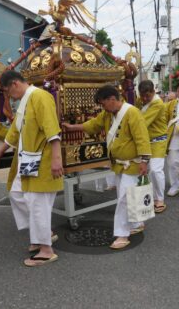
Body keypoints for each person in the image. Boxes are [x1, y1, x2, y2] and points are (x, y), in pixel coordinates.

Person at [63, 85, 151, 250]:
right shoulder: (107, 114)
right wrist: (73, 127)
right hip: (119, 163)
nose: (102, 107)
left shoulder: (132, 113)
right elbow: (93, 125)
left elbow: (142, 138)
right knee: (126, 196)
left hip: (133, 162)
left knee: (124, 198)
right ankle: (135, 224)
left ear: (112, 99)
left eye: (103, 104)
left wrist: (144, 161)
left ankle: (122, 234)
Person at [0, 71, 63, 266]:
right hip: (28, 160)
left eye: (7, 91)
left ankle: (46, 250)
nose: (8, 96)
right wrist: (0, 151)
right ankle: (43, 233)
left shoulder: (40, 96)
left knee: (37, 203)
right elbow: (14, 131)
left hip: (43, 159)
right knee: (17, 194)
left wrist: (57, 158)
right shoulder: (25, 100)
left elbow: (52, 129)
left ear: (14, 84)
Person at [136, 80, 168, 213]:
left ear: (153, 92)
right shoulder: (140, 100)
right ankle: (148, 197)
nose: (144, 99)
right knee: (144, 171)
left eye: (147, 96)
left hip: (158, 140)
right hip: (144, 141)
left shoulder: (157, 103)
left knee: (155, 170)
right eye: (142, 96)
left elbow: (141, 121)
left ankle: (159, 198)